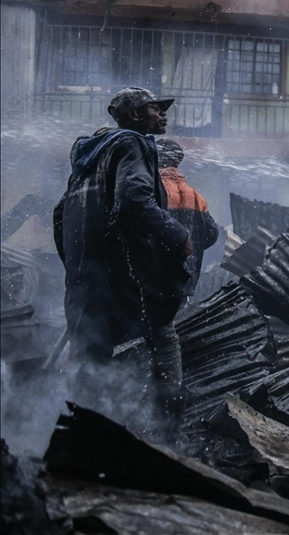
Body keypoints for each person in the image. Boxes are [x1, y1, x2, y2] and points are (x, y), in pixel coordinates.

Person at [53, 87, 191, 437]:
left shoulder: (87, 157)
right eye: (154, 108)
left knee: (90, 356)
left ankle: (78, 437)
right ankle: (168, 430)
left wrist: (77, 267)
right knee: (162, 332)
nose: (163, 114)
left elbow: (59, 215)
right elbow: (133, 200)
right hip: (123, 276)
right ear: (133, 115)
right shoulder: (133, 143)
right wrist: (178, 236)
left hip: (85, 282)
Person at [157, 139, 219, 303]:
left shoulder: (152, 190)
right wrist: (193, 248)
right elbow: (212, 233)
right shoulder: (196, 196)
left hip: (157, 274)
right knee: (177, 320)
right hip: (187, 275)